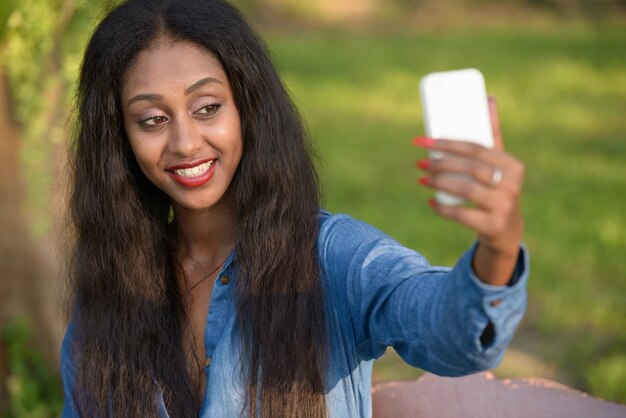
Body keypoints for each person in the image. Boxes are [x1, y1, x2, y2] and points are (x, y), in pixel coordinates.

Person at [61, 0, 528, 417]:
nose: (185, 142)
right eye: (153, 119)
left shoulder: (333, 258)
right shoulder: (110, 285)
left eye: (207, 107)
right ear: (119, 138)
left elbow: (451, 334)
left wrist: (500, 247)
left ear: (248, 107)